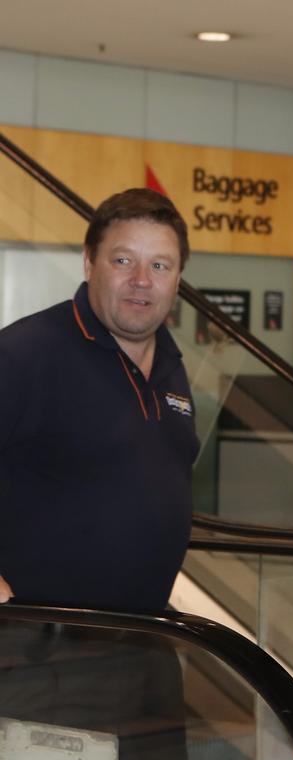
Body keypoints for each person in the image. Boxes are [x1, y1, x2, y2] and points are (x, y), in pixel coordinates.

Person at [0, 187, 198, 612]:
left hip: (148, 641)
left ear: (178, 280)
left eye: (160, 265)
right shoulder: (24, 353)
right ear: (90, 262)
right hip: (38, 652)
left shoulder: (172, 366)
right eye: (123, 260)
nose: (142, 279)